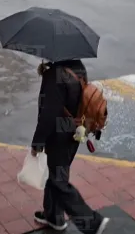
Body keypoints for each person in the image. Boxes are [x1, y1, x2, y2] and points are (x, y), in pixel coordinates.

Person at [31, 61, 110, 234]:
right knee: (57, 174)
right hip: (74, 133)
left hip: (58, 135)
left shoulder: (55, 75)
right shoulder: (78, 67)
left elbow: (48, 115)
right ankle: (53, 216)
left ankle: (91, 222)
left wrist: (37, 143)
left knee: (59, 181)